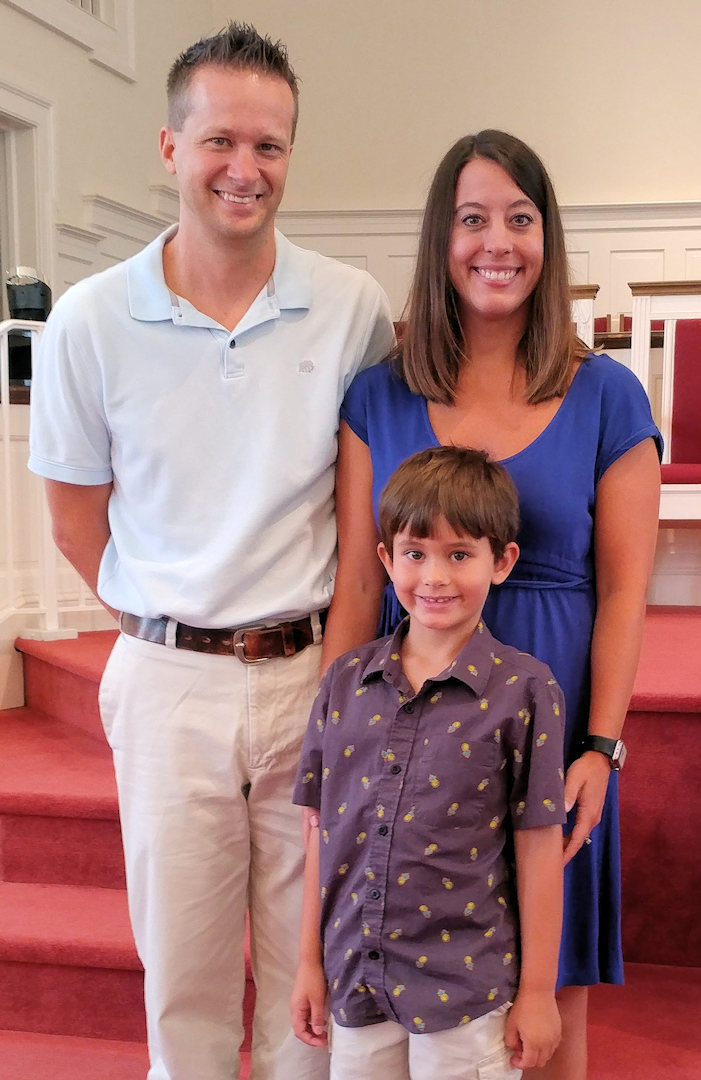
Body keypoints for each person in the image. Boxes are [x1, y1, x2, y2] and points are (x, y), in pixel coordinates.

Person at [28, 21, 394, 1080]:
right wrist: (170, 617)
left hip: (309, 677)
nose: (246, 169)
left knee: (307, 987)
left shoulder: (349, 308)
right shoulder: (91, 323)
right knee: (181, 984)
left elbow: (365, 506)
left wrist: (333, 664)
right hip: (167, 683)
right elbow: (71, 516)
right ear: (170, 148)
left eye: (270, 145)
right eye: (222, 141)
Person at [321, 131, 662, 1080]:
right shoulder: (377, 398)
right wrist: (330, 733)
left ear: (547, 238)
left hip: (555, 740)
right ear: (442, 240)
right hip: (412, 739)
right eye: (472, 219)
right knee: (413, 993)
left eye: (520, 218)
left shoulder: (606, 395)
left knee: (544, 1017)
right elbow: (356, 582)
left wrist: (600, 746)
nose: (496, 242)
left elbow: (627, 589)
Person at [291, 446, 566, 1079]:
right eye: (415, 554)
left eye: (459, 555)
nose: (434, 577)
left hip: (467, 987)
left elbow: (538, 847)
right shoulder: (344, 683)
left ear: (502, 562)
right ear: (386, 559)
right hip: (356, 976)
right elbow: (320, 832)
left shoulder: (526, 690)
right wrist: (309, 962)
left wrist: (538, 991)